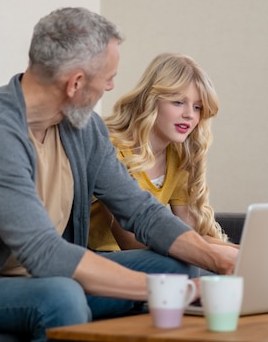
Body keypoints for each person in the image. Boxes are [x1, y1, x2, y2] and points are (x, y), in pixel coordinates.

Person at [0, 7, 237, 342]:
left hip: (53, 275)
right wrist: (168, 291)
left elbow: (141, 211)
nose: (111, 87)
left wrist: (217, 258)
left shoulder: (83, 128)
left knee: (177, 267)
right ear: (76, 82)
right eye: (108, 77)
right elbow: (42, 251)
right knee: (62, 296)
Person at [89, 53, 233, 253]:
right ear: (151, 100)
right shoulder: (111, 146)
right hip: (97, 257)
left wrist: (240, 252)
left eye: (197, 107)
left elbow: (192, 233)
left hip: (143, 257)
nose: (189, 114)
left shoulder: (178, 156)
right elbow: (131, 242)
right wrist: (212, 254)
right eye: (178, 102)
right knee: (187, 262)